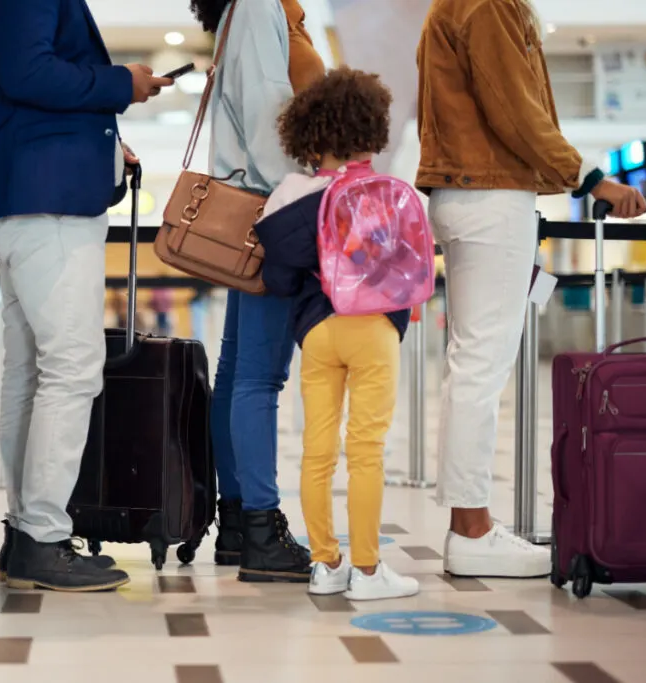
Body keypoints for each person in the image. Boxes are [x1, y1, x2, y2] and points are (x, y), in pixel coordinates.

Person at [417, 0, 646, 578]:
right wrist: (591, 179)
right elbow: (515, 109)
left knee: (470, 363)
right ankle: (471, 530)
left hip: (468, 193)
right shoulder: (489, 4)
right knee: (480, 365)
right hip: (489, 195)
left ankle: (470, 524)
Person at [0, 0, 172, 592]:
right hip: (44, 200)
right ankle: (42, 536)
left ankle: (28, 531)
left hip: (29, 193)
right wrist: (119, 84)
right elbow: (29, 73)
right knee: (73, 367)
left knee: (30, 371)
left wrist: (104, 144)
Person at [254, 67, 420, 600]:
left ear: (307, 133)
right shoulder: (388, 192)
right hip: (374, 331)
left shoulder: (289, 193)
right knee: (366, 449)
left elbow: (276, 278)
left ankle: (326, 566)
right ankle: (369, 573)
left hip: (318, 332)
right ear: (370, 129)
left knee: (317, 450)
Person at [189, 0, 325, 584]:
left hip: (260, 202)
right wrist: (302, 201)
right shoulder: (259, 6)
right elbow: (272, 117)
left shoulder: (254, 8)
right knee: (258, 377)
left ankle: (241, 522)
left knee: (238, 371)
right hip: (273, 208)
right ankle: (261, 527)